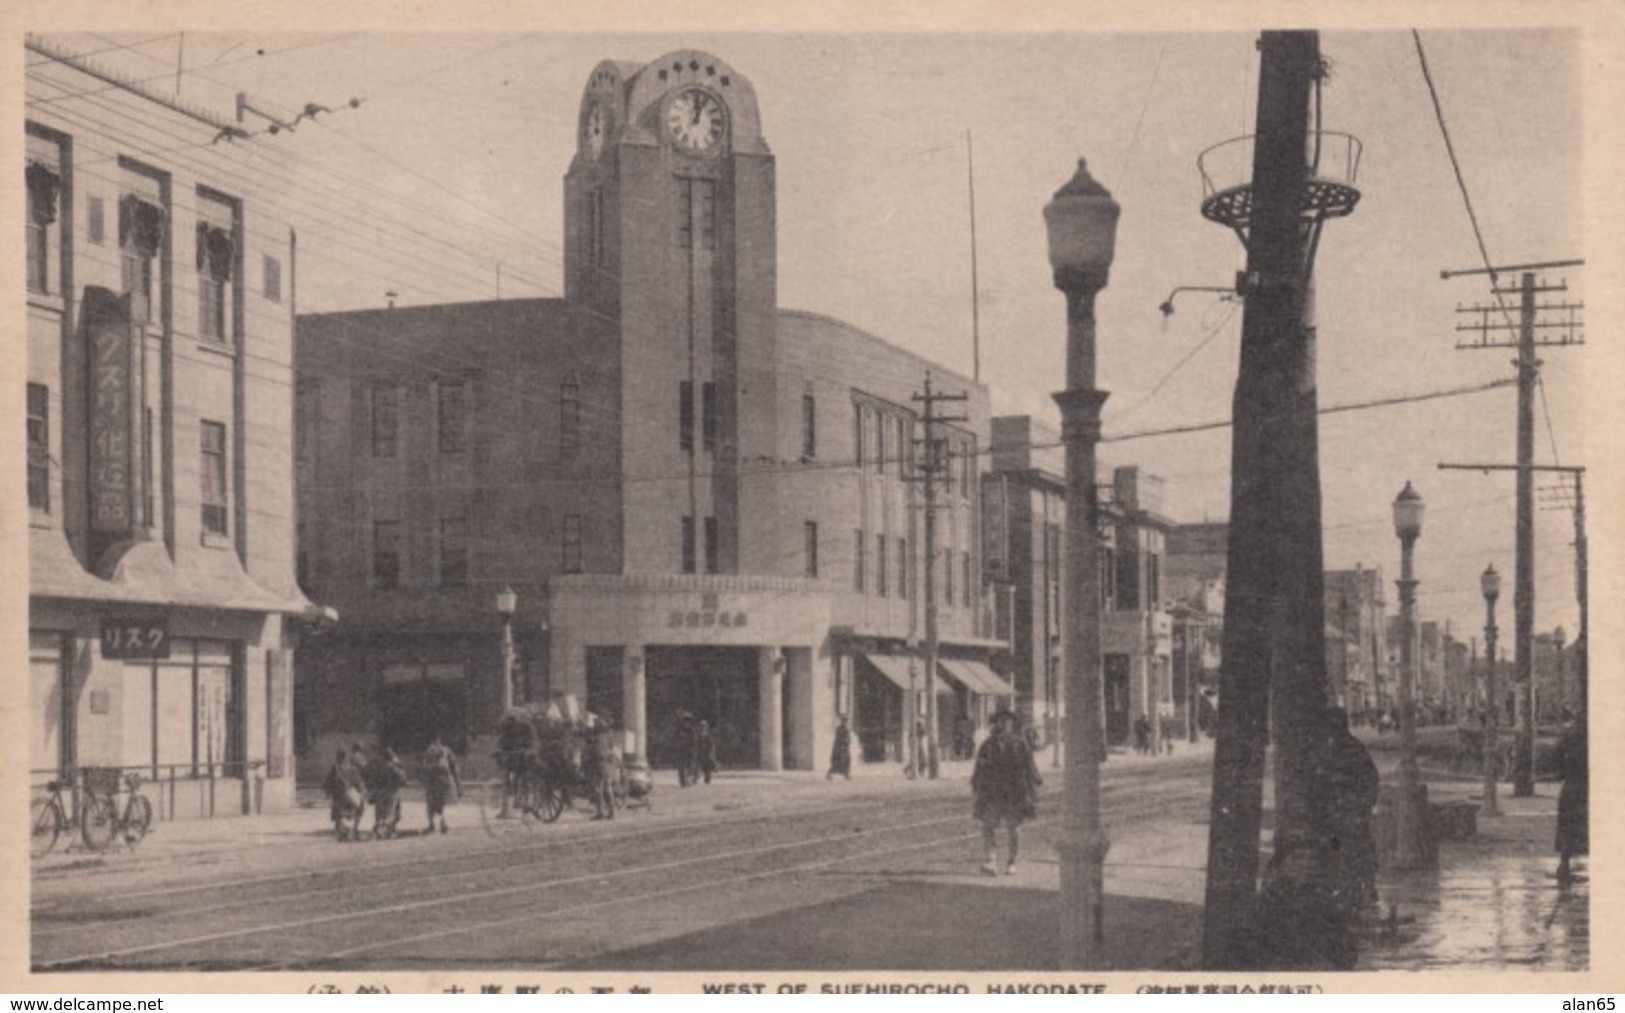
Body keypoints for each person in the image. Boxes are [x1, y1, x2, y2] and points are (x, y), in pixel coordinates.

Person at [970, 710, 1041, 876]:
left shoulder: (1020, 743)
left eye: (1006, 722)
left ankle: (1012, 861)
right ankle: (990, 861)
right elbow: (979, 768)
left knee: (1013, 828)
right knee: (988, 826)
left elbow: (1029, 766)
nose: (1002, 725)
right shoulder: (987, 745)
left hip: (1014, 792)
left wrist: (1033, 788)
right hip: (993, 793)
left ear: (1011, 725)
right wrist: (977, 787)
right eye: (999, 722)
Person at [1554, 719, 1588, 886]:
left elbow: (1558, 766)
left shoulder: (1569, 734)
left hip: (1572, 787)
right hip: (1584, 786)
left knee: (1569, 826)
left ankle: (1564, 863)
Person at [364, 747, 408, 840]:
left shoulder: (377, 766)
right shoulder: (393, 767)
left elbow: (368, 775)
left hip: (379, 791)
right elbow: (403, 779)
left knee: (380, 814)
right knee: (390, 814)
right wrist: (398, 763)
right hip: (391, 792)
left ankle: (379, 830)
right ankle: (384, 831)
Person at [322, 749, 365, 842]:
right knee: (351, 814)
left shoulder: (336, 768)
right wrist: (360, 792)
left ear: (338, 757)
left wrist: (328, 793)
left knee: (340, 815)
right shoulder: (353, 768)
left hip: (339, 795)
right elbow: (359, 782)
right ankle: (350, 832)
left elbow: (329, 782)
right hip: (351, 795)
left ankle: (343, 834)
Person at [421, 736, 461, 834]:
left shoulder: (428, 751)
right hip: (445, 780)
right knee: (444, 803)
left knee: (431, 803)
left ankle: (431, 825)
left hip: (432, 781)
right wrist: (457, 783)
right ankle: (444, 825)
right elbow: (454, 767)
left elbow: (423, 768)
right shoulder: (446, 750)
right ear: (440, 741)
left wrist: (425, 782)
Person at [584, 718, 623, 820]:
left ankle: (600, 813)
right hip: (608, 766)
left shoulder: (597, 739)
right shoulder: (608, 737)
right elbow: (612, 750)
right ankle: (612, 812)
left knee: (598, 789)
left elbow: (596, 753)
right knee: (608, 788)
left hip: (599, 765)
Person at [693, 719, 718, 785]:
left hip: (706, 753)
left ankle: (707, 780)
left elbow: (712, 744)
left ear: (706, 727)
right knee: (697, 768)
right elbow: (695, 744)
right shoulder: (697, 735)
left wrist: (711, 752)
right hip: (700, 754)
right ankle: (695, 780)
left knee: (707, 769)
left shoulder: (708, 735)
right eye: (701, 726)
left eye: (704, 726)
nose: (702, 727)